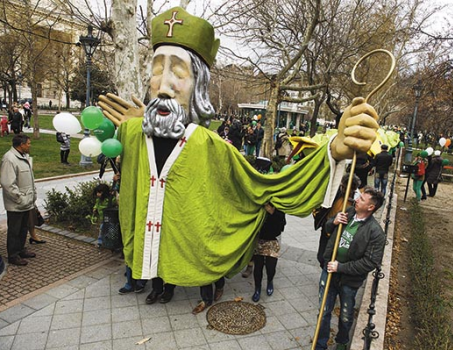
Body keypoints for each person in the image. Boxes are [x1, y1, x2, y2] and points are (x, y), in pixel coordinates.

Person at [97, 6, 378, 288]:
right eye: (157, 70)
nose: (164, 86)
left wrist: (334, 150)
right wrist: (130, 129)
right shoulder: (133, 133)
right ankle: (148, 284)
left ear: (198, 85)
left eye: (179, 73)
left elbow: (265, 186)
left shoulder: (209, 145)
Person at [316, 187, 385, 350]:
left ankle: (342, 341)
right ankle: (320, 344)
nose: (356, 199)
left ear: (370, 207)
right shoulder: (348, 212)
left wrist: (341, 267)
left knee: (346, 315)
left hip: (349, 281)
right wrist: (333, 222)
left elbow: (369, 262)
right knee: (324, 312)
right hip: (329, 272)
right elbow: (326, 228)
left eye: (361, 199)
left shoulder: (375, 233)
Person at [1, 134, 37, 266]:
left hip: (26, 202)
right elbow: (7, 183)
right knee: (14, 231)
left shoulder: (22, 157)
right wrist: (20, 199)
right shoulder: (9, 159)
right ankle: (13, 255)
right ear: (21, 145)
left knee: (23, 228)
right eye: (28, 143)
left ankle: (21, 249)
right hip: (17, 204)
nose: (29, 145)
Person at [314, 174, 361, 269]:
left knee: (334, 257)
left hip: (342, 232)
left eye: (349, 188)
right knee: (322, 256)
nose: (344, 189)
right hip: (328, 227)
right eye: (343, 187)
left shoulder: (357, 199)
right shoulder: (334, 193)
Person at [251, 203, 286, 302]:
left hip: (273, 241)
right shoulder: (258, 204)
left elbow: (282, 225)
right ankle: (257, 288)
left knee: (271, 267)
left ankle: (270, 281)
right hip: (259, 240)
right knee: (258, 267)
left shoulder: (279, 206)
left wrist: (272, 212)